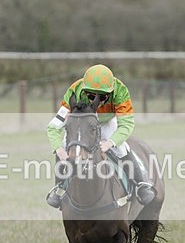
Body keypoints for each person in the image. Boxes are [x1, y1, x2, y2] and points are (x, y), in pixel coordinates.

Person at [45, 64, 155, 208]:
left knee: (121, 148)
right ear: (84, 90)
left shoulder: (121, 91)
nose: (97, 100)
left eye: (103, 96)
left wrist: (110, 142)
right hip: (83, 124)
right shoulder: (75, 90)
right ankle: (59, 188)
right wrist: (58, 148)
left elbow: (127, 124)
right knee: (66, 146)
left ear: (111, 91)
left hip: (106, 122)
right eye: (91, 95)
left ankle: (141, 185)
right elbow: (54, 126)